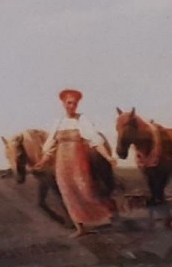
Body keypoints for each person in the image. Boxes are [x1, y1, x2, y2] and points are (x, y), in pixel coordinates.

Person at [33, 88, 117, 237]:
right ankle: (80, 228)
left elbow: (94, 141)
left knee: (85, 190)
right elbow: (51, 145)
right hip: (62, 163)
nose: (72, 106)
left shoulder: (82, 120)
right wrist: (43, 161)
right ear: (63, 104)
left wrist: (108, 157)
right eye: (69, 103)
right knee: (68, 194)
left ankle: (108, 211)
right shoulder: (58, 122)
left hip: (78, 161)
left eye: (74, 103)